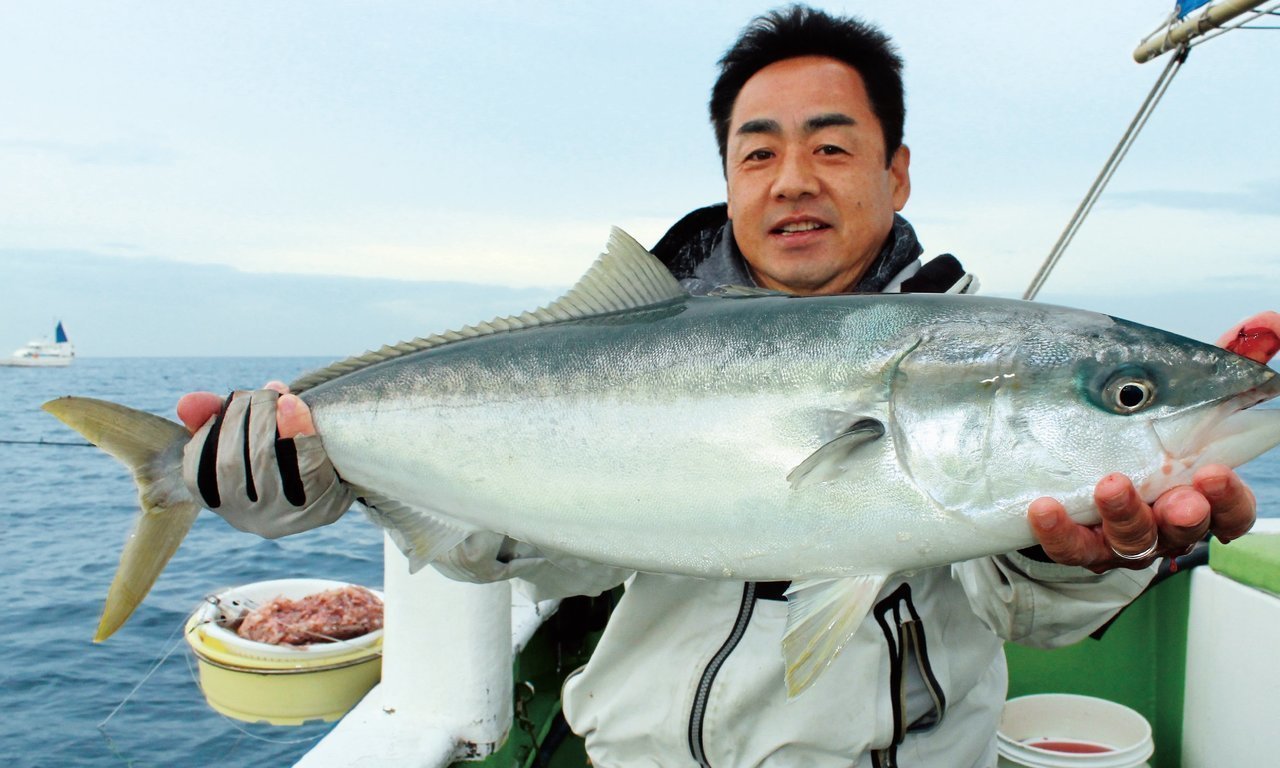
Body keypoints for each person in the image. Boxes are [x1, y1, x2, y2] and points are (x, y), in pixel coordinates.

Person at [177, 7, 1258, 766]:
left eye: (832, 147)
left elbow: (1027, 604)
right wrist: (326, 474)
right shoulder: (626, 337)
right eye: (758, 153)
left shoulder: (975, 333)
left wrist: (1071, 553)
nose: (792, 179)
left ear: (897, 171)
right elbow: (508, 542)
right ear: (729, 177)